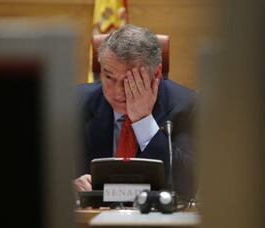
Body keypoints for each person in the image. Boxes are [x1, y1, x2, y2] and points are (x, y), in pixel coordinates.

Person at [74, 24, 197, 199]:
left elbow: (188, 185)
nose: (117, 92)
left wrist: (143, 120)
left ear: (156, 74)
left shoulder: (186, 105)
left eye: (129, 80)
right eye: (109, 77)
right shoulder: (75, 104)